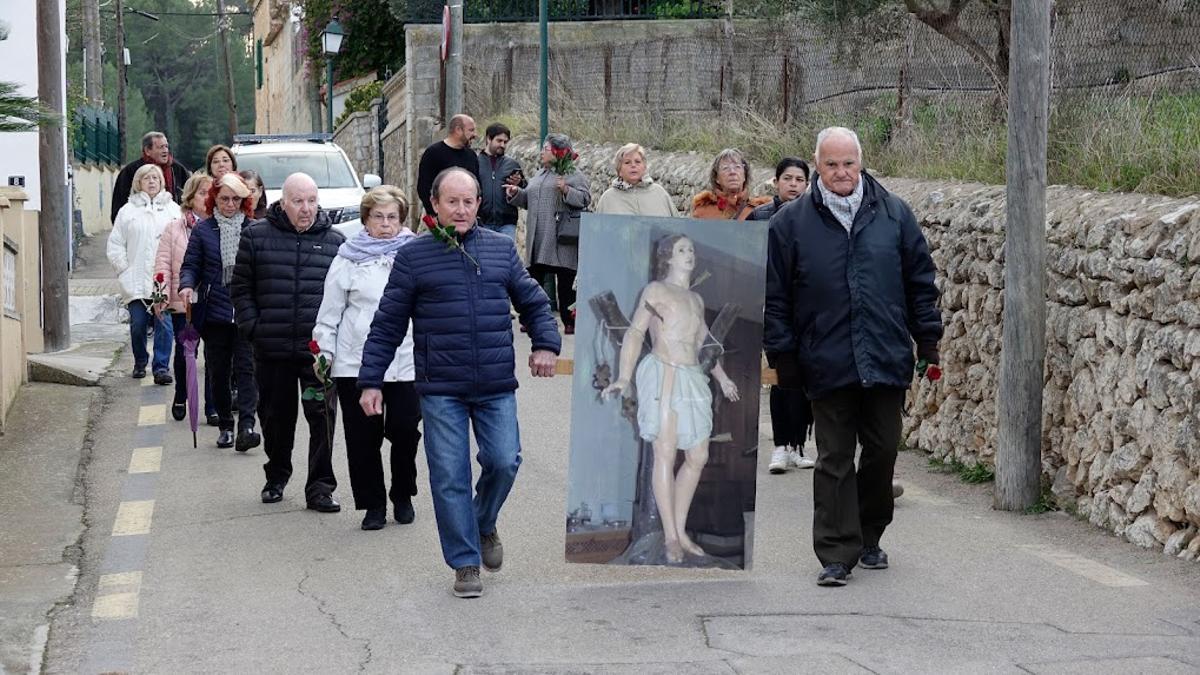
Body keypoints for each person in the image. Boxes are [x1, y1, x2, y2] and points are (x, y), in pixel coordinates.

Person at [358, 167, 560, 598]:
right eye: (453, 201)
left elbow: (535, 302)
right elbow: (388, 323)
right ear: (435, 204)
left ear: (478, 204)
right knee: (449, 474)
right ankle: (465, 562)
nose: (462, 209)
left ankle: (483, 522)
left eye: (469, 201)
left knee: (504, 460)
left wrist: (546, 343)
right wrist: (371, 380)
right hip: (440, 387)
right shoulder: (414, 257)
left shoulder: (500, 249)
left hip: (494, 382)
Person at [764, 127, 942, 587]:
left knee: (882, 452)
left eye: (849, 164)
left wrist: (928, 342)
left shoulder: (894, 214)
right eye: (831, 165)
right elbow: (776, 296)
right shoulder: (790, 223)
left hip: (884, 355)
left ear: (860, 164)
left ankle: (870, 534)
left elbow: (920, 283)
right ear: (816, 166)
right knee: (834, 458)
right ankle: (836, 552)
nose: (841, 173)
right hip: (824, 358)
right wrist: (783, 357)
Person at [601, 234, 740, 564]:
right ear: (668, 257)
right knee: (664, 452)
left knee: (698, 456)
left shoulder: (695, 299)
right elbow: (635, 332)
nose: (689, 254)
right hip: (664, 373)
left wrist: (722, 378)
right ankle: (672, 537)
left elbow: (705, 342)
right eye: (682, 250)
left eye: (692, 249)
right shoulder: (655, 290)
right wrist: (623, 376)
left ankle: (679, 530)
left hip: (693, 379)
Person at [232, 173, 345, 512]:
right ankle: (276, 476)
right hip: (272, 348)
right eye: (298, 201)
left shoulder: (336, 242)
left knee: (322, 418)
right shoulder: (256, 236)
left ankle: (321, 487)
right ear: (283, 202)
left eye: (312, 201)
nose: (306, 209)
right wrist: (255, 328)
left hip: (317, 354)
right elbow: (240, 288)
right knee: (276, 420)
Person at [313, 186, 421, 531]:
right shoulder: (347, 258)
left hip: (406, 359)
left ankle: (402, 494)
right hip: (355, 361)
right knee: (363, 437)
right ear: (366, 220)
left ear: (401, 220)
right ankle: (372, 503)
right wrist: (324, 352)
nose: (386, 225)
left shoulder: (416, 254)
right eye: (378, 217)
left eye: (392, 217)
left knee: (405, 430)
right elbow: (330, 312)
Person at [178, 173, 262, 451]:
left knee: (246, 369)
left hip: (245, 311)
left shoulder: (253, 229)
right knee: (218, 371)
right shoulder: (204, 231)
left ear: (244, 201)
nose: (229, 204)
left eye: (235, 199)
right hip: (214, 312)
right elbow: (190, 265)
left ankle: (247, 426)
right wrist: (187, 286)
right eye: (224, 198)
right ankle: (226, 424)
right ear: (215, 199)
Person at [748, 157, 815, 473]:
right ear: (776, 182)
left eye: (799, 179)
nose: (793, 184)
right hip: (772, 309)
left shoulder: (816, 218)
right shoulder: (761, 217)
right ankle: (779, 445)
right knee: (780, 376)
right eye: (787, 178)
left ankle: (797, 445)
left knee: (804, 380)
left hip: (808, 311)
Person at [504, 133, 591, 335]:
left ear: (559, 152)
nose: (542, 152)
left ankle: (570, 321)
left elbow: (585, 199)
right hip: (539, 236)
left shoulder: (574, 175)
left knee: (566, 282)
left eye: (546, 148)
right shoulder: (540, 174)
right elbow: (529, 200)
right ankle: (532, 318)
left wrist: (567, 190)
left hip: (561, 238)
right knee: (534, 281)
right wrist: (516, 193)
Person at [154, 172, 218, 425]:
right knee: (184, 352)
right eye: (202, 193)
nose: (207, 198)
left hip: (213, 301)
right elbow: (162, 263)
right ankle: (181, 393)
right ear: (191, 198)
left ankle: (212, 405)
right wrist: (160, 295)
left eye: (211, 193)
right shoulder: (174, 228)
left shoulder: (220, 226)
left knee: (214, 355)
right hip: (184, 302)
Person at [107, 163, 181, 382]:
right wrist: (124, 270)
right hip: (136, 278)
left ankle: (161, 367)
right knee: (138, 324)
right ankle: (140, 361)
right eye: (146, 178)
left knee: (164, 323)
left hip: (162, 280)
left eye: (155, 178)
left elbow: (181, 241)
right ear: (138, 183)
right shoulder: (127, 211)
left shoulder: (173, 210)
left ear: (162, 182)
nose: (151, 182)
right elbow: (115, 244)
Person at [110, 132, 190, 223]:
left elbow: (189, 198)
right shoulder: (130, 172)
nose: (165, 151)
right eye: (160, 147)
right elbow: (119, 206)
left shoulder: (178, 170)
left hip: (172, 226)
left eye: (166, 146)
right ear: (147, 150)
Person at [415, 114, 480, 217]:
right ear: (458, 130)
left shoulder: (471, 155)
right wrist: (434, 213)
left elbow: (477, 186)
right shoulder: (433, 153)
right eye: (471, 130)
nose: (475, 134)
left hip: (467, 217)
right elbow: (423, 187)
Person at [595, 143, 678, 217]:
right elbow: (598, 231)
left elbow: (677, 228)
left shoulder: (660, 193)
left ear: (644, 167)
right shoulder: (608, 199)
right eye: (627, 162)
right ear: (619, 170)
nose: (633, 165)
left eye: (637, 162)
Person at [690, 148, 770, 220]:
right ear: (717, 178)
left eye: (737, 167)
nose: (732, 172)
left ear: (744, 176)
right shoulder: (703, 211)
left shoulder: (760, 211)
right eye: (725, 168)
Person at [476, 122, 525, 240]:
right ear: (488, 139)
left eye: (505, 142)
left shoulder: (512, 164)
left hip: (507, 224)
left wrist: (519, 184)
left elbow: (525, 191)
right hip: (482, 223)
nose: (502, 145)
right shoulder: (475, 162)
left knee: (505, 258)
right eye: (499, 141)